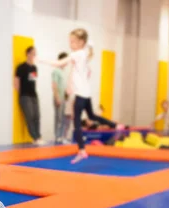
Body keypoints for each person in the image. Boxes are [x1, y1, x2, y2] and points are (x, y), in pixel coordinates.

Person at [40, 29, 124, 163]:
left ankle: (82, 150)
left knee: (77, 123)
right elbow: (82, 71)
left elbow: (60, 63)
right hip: (86, 94)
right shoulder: (84, 54)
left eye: (73, 41)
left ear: (81, 42)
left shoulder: (77, 53)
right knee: (92, 116)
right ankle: (115, 125)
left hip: (80, 94)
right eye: (70, 41)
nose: (70, 44)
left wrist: (41, 60)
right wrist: (70, 85)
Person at [15, 47, 44, 145]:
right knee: (30, 116)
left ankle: (39, 136)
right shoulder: (21, 67)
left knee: (37, 116)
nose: (34, 56)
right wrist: (21, 94)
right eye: (32, 53)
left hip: (33, 95)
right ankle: (35, 138)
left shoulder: (34, 68)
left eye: (35, 54)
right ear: (27, 54)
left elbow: (33, 81)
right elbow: (16, 83)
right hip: (25, 95)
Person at [52, 52, 71, 144]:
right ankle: (57, 136)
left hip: (63, 97)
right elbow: (54, 85)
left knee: (63, 117)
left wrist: (66, 95)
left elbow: (64, 86)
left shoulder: (63, 72)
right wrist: (57, 97)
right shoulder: (56, 71)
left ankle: (62, 136)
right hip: (58, 97)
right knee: (58, 117)